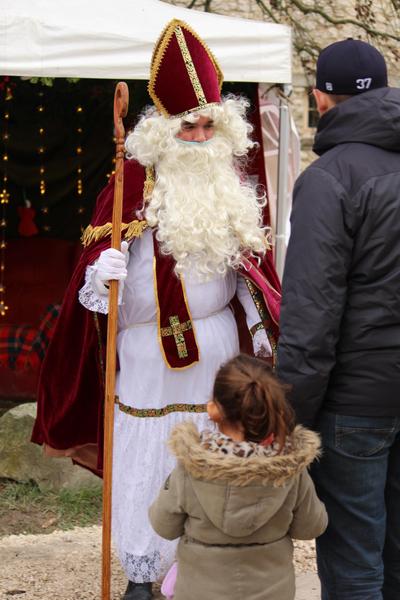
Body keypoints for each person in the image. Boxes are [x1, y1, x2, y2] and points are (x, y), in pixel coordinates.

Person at [31, 19, 281, 600]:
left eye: (206, 126)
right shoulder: (128, 186)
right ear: (162, 130)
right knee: (146, 459)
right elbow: (85, 295)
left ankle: (199, 569)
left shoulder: (231, 188)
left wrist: (264, 330)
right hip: (145, 354)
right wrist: (101, 274)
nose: (197, 137)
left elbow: (252, 274)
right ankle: (143, 576)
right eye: (187, 126)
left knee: (211, 459)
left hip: (216, 351)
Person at [277, 38, 400, 600]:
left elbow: (311, 316)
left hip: (356, 404)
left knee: (354, 563)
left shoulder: (328, 180)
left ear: (322, 101)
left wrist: (287, 417)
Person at [149, 354, 327, 600]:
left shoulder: (191, 468)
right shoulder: (290, 469)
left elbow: (163, 525)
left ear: (213, 410)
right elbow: (311, 526)